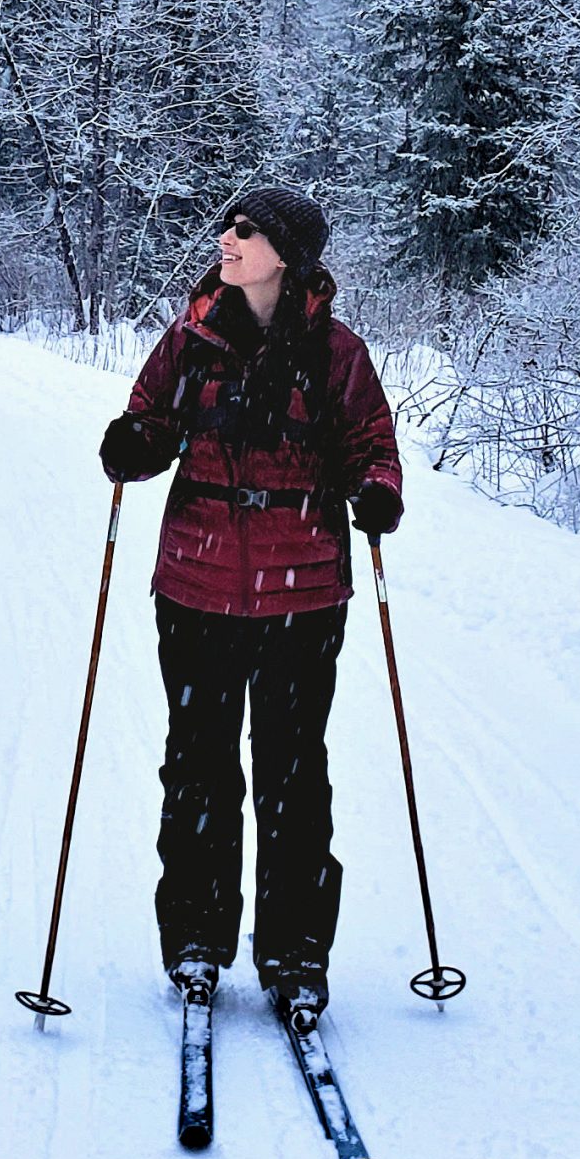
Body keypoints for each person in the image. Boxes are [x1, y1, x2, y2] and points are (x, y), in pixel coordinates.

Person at [96, 186, 404, 1027]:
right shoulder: (192, 341)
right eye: (228, 226)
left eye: (247, 229)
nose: (227, 238)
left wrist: (376, 491)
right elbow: (151, 420)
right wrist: (134, 445)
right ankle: (196, 941)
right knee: (198, 768)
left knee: (293, 775)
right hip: (195, 589)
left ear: (288, 255)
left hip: (303, 597)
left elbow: (372, 444)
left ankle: (296, 953)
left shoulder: (336, 354)